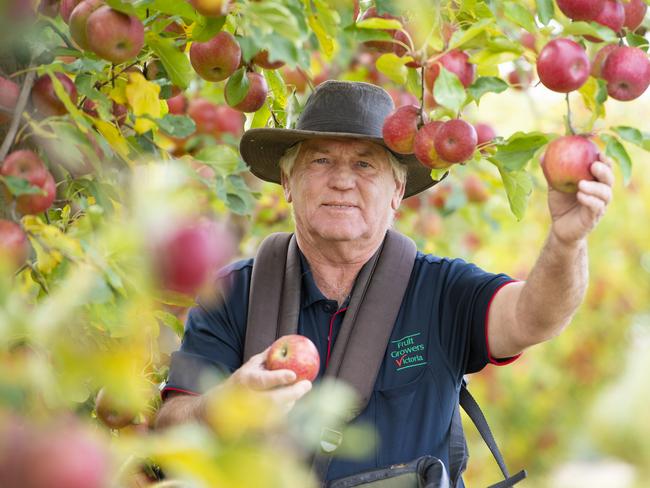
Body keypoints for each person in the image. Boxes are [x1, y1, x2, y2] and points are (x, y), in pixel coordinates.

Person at [155, 81, 614, 483]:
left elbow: (535, 316)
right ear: (288, 182)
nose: (340, 181)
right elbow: (171, 425)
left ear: (397, 192)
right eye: (319, 161)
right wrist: (226, 405)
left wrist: (567, 241)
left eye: (364, 165)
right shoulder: (233, 293)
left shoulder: (441, 289)